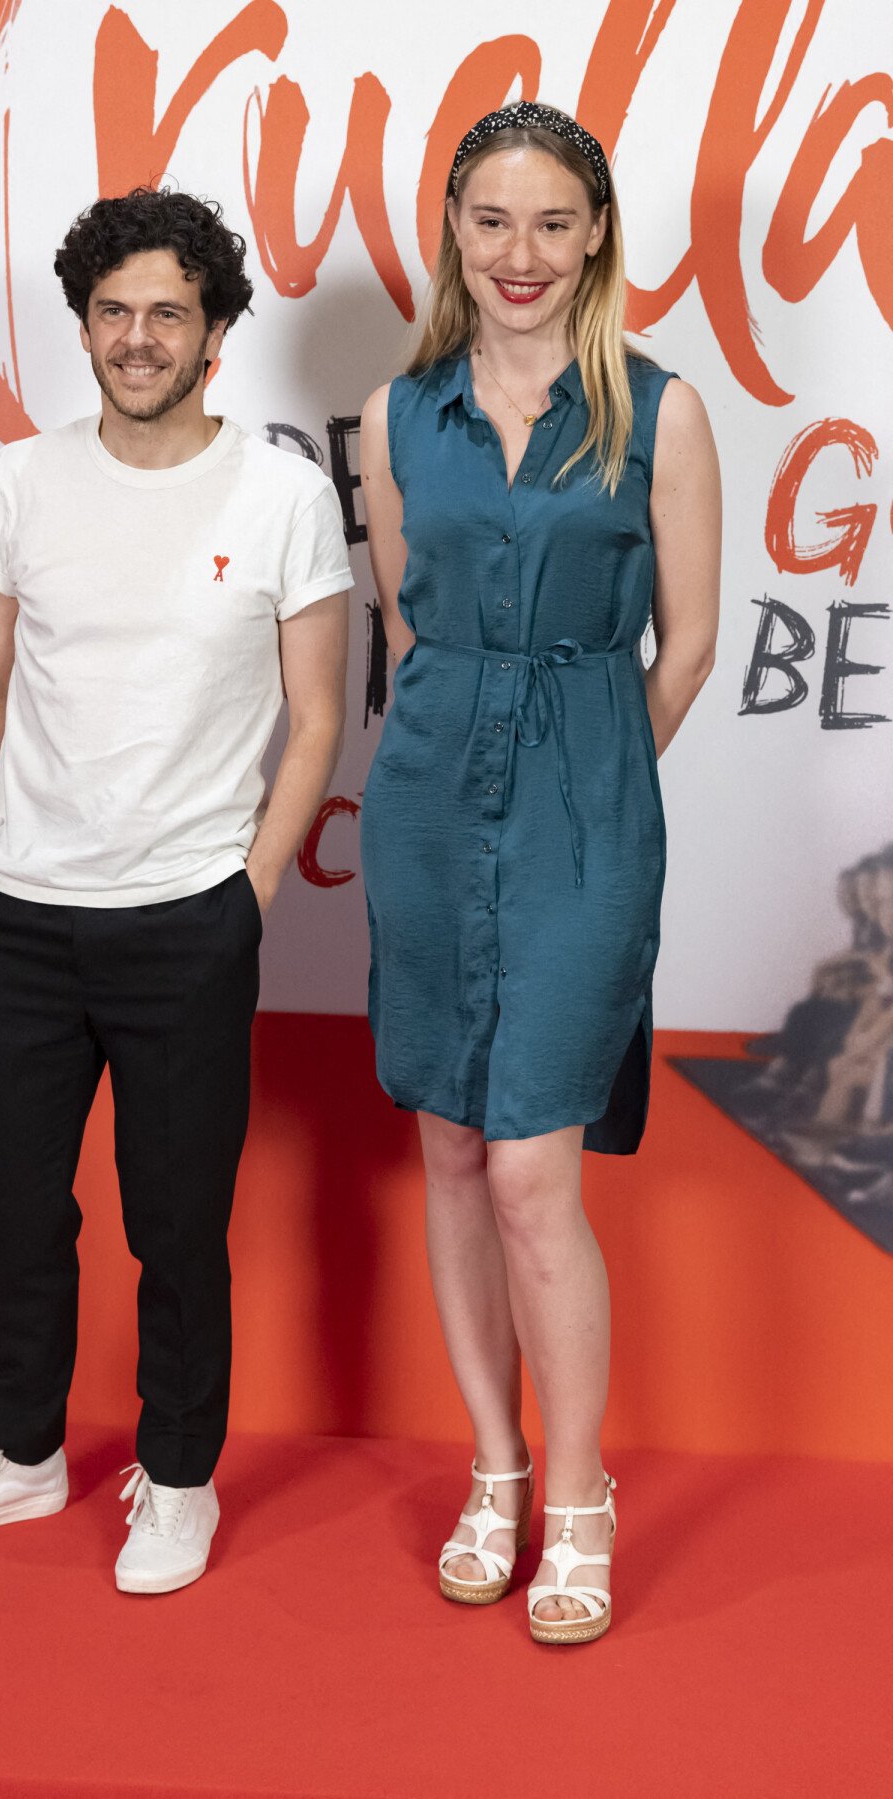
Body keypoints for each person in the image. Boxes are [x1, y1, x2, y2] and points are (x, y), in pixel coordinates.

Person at [0, 188, 352, 1592]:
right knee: (19, 1209)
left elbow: (316, 716)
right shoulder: (25, 476)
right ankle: (18, 1459)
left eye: (168, 313)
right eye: (113, 312)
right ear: (84, 323)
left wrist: (246, 896)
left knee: (174, 1219)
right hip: (17, 913)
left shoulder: (279, 492)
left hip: (186, 918)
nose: (138, 337)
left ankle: (180, 1478)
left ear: (215, 331)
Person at [359, 101, 719, 1644]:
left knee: (529, 1169)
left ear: (596, 235)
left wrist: (596, 782)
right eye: (493, 220)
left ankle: (578, 1493)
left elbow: (687, 638)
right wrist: (452, 758)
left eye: (553, 222)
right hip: (427, 802)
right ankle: (493, 1472)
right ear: (454, 229)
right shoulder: (396, 415)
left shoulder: (663, 409)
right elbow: (400, 621)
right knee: (448, 1151)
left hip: (588, 804)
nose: (522, 254)